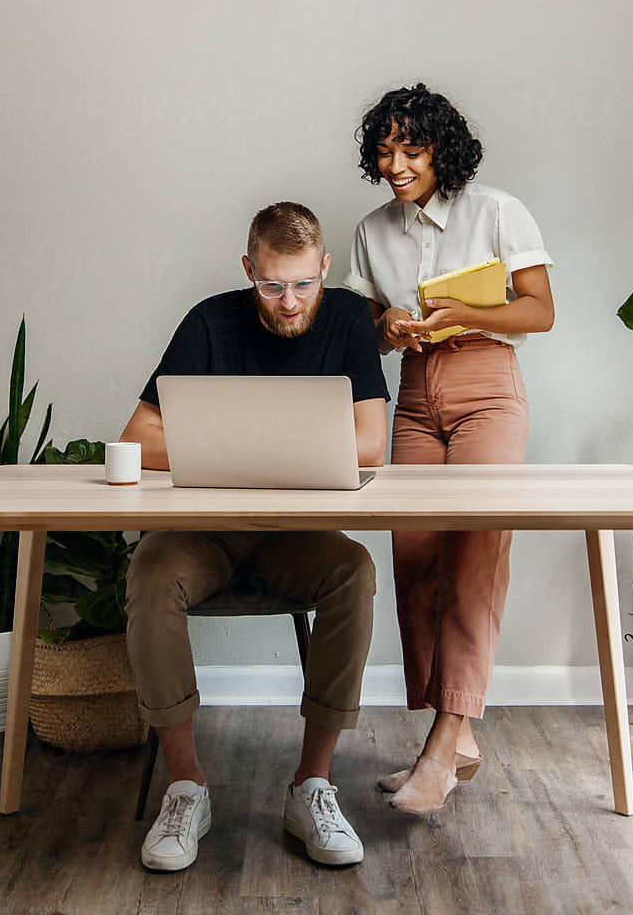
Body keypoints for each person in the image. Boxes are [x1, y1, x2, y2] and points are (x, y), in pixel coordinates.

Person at [121, 201, 388, 872]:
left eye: (303, 284)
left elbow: (371, 443)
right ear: (249, 270)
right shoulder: (210, 320)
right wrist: (269, 449)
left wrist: (230, 445)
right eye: (272, 285)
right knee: (151, 572)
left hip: (296, 537)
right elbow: (137, 437)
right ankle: (186, 789)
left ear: (325, 268)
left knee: (354, 570)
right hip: (201, 535)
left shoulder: (351, 318)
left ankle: (313, 786)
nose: (289, 301)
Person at [344, 83, 554, 815]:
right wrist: (389, 326)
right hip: (414, 388)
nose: (396, 163)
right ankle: (453, 735)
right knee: (417, 556)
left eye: (412, 148)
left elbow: (541, 310)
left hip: (487, 384)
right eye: (385, 150)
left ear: (443, 147)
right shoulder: (373, 229)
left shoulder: (496, 209)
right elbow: (361, 327)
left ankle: (443, 744)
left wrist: (465, 310)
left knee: (473, 555)